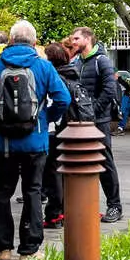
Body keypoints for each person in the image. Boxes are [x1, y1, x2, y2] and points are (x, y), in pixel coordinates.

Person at [0, 20, 71, 260]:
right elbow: (63, 98)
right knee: (33, 191)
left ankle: (3, 247)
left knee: (3, 192)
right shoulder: (43, 67)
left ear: (11, 41)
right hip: (35, 142)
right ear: (35, 43)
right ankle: (30, 248)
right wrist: (47, 117)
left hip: (3, 143)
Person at [69, 27, 125, 222]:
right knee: (81, 162)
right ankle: (84, 206)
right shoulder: (77, 62)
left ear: (88, 38)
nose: (73, 41)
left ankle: (114, 205)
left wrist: (93, 111)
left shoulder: (102, 61)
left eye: (76, 38)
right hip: (80, 121)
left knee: (104, 162)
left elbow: (109, 90)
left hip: (98, 121)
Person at [41, 42, 81, 227]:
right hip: (72, 128)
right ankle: (68, 209)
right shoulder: (73, 73)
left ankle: (55, 213)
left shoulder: (55, 77)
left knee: (53, 172)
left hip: (55, 129)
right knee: (65, 172)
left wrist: (47, 118)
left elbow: (58, 102)